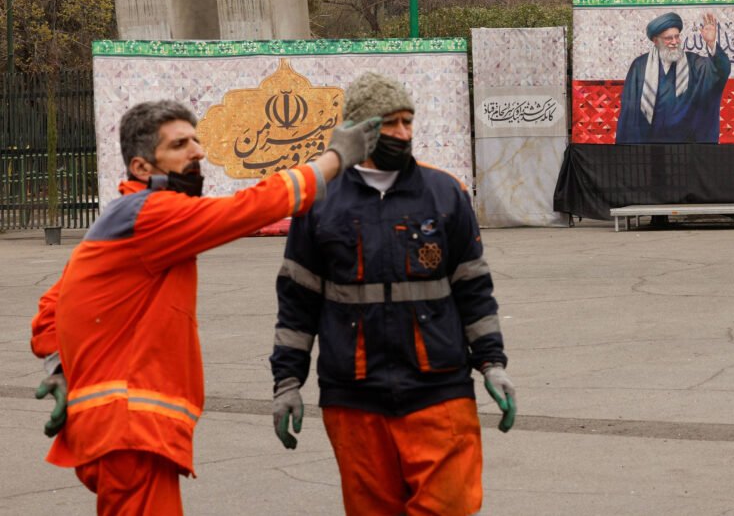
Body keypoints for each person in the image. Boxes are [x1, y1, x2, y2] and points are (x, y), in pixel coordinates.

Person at [30, 99, 380, 516]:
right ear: (143, 168)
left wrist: (58, 365)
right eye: (180, 144)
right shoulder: (151, 215)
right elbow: (250, 208)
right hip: (130, 428)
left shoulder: (124, 219)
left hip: (120, 432)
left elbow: (53, 303)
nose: (198, 151)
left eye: (196, 139)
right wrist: (335, 158)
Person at [270, 72, 515, 516]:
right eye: (390, 124)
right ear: (361, 130)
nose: (402, 133)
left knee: (452, 506)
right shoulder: (320, 202)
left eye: (408, 122)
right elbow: (297, 302)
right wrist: (287, 382)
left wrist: (492, 363)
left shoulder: (444, 193)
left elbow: (474, 288)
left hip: (438, 388)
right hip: (354, 395)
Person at [615, 11, 731, 144]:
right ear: (656, 41)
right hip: (649, 143)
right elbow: (630, 109)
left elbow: (719, 71)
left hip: (686, 145)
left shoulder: (693, 62)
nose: (675, 42)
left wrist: (711, 43)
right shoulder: (640, 66)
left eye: (677, 37)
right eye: (668, 38)